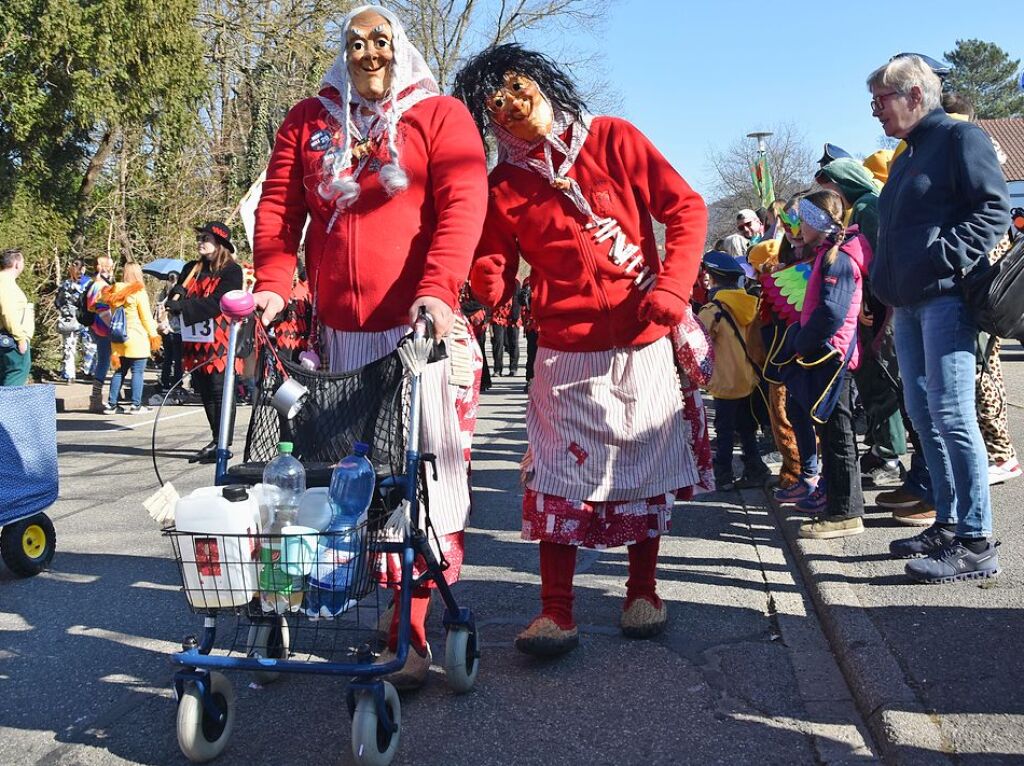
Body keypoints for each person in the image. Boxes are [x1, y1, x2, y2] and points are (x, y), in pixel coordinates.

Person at [252, 5, 488, 689]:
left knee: (422, 489)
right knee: (352, 491)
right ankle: (316, 607)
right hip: (340, 342)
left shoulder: (439, 116)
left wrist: (440, 289)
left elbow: (464, 203)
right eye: (355, 43)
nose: (368, 53)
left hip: (421, 335)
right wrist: (273, 281)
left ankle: (409, 634)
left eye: (380, 40)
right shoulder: (309, 120)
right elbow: (278, 209)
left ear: (400, 47)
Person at [453, 43, 707, 655]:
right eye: (498, 104)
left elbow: (687, 208)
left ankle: (642, 591)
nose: (514, 107)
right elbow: (492, 258)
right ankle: (555, 611)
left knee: (646, 468)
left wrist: (672, 286)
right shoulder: (504, 183)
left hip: (645, 337)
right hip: (565, 351)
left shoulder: (614, 139)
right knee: (557, 476)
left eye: (521, 89)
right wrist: (487, 280)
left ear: (544, 85)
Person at [867, 54, 1009, 582]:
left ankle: (975, 540)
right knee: (923, 415)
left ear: (915, 95)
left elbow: (993, 210)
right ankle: (948, 524)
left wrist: (942, 258)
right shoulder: (906, 154)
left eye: (881, 100)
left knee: (952, 414)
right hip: (907, 304)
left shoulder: (958, 139)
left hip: (946, 299)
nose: (875, 112)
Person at [816, 158, 908, 488]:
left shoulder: (869, 206)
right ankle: (879, 447)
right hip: (868, 309)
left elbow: (878, 258)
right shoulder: (859, 209)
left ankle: (890, 455)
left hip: (877, 310)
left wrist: (870, 300)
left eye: (832, 188)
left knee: (882, 380)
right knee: (870, 382)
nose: (830, 196)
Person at [788, 191, 870, 540]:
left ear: (819, 221)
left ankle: (845, 513)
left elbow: (833, 313)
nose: (798, 226)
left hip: (832, 358)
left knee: (838, 437)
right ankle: (838, 505)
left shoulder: (839, 259)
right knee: (832, 433)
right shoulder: (828, 253)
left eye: (803, 219)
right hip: (827, 355)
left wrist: (800, 342)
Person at [166, 222, 244, 461]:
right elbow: (178, 294)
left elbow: (221, 301)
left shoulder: (232, 271)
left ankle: (223, 443)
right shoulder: (192, 268)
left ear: (219, 244)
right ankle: (215, 437)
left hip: (220, 338)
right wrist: (175, 298)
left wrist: (186, 307)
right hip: (196, 339)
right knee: (205, 390)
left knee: (220, 390)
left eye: (206, 238)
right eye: (200, 237)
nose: (201, 242)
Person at [698, 251, 770, 491]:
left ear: (714, 279)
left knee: (725, 430)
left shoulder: (713, 310)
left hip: (726, 381)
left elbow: (698, 341)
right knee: (747, 427)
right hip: (750, 377)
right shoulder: (752, 303)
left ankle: (724, 474)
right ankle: (754, 467)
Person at [102, 263, 161, 414]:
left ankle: (112, 405)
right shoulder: (138, 292)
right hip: (136, 337)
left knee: (119, 372)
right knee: (138, 372)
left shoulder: (114, 290)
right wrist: (154, 335)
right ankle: (136, 405)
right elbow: (146, 318)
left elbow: (98, 305)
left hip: (118, 338)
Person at [85, 256, 116, 412]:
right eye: (110, 267)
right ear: (103, 268)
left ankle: (97, 397)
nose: (112, 270)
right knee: (104, 361)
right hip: (103, 328)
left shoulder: (93, 284)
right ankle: (96, 398)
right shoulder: (101, 286)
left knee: (103, 360)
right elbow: (102, 309)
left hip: (95, 327)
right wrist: (114, 326)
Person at [0, 248, 33, 386]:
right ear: (17, 264)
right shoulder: (6, 284)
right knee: (16, 376)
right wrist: (20, 339)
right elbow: (8, 313)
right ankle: (7, 407)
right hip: (10, 339)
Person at [55, 260, 86, 384]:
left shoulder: (64, 285)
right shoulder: (84, 286)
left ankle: (68, 372)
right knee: (86, 346)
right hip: (79, 317)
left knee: (68, 345)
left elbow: (58, 302)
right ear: (82, 269)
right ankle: (74, 372)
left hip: (67, 317)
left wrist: (64, 310)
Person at [157, 271, 184, 394]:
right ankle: (177, 382)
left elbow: (158, 314)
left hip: (166, 330)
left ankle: (165, 381)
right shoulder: (178, 294)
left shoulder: (163, 296)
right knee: (178, 359)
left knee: (168, 357)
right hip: (177, 330)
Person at [489, 284, 520, 376]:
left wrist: (515, 315)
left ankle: (513, 368)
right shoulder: (495, 282)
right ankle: (497, 369)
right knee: (498, 343)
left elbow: (517, 300)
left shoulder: (515, 283)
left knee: (513, 343)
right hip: (498, 316)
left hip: (512, 317)